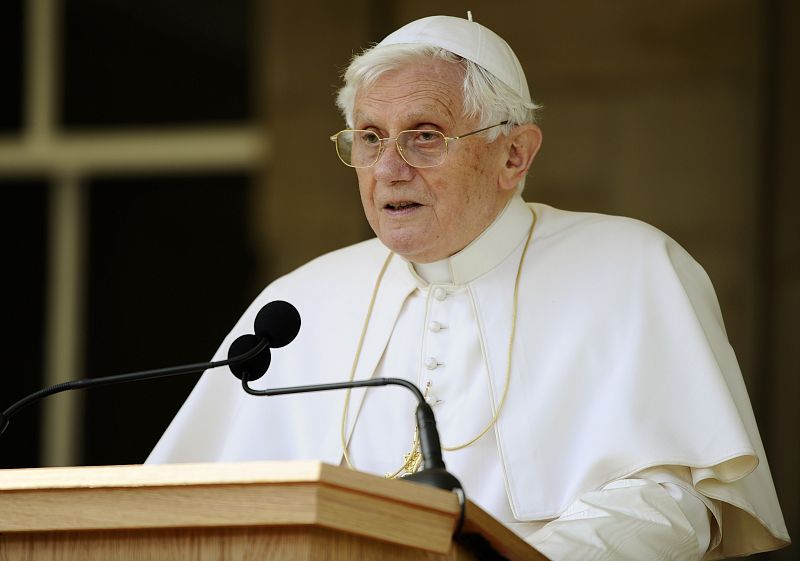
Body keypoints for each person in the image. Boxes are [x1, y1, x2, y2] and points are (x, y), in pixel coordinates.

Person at [147, 14, 790, 560]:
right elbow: (193, 509)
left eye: (424, 137)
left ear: (515, 156)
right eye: (369, 139)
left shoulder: (633, 266)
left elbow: (676, 499)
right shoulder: (301, 301)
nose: (390, 169)